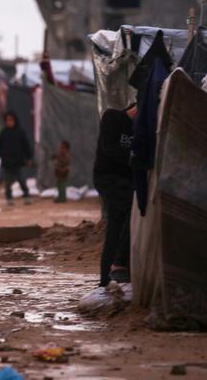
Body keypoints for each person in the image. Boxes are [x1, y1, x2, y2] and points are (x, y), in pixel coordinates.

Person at [93, 103, 137, 287]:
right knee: (130, 209)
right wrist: (136, 156)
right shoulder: (112, 118)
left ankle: (105, 280)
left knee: (115, 226)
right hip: (108, 179)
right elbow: (110, 149)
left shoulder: (142, 128)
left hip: (127, 183)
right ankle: (119, 264)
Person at [0, 111, 32, 206]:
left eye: (11, 120)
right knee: (7, 182)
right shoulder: (3, 133)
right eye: (7, 120)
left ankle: (27, 196)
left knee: (21, 180)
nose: (9, 122)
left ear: (15, 121)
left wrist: (28, 158)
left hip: (18, 161)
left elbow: (26, 146)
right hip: (7, 161)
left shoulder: (20, 132)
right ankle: (9, 198)